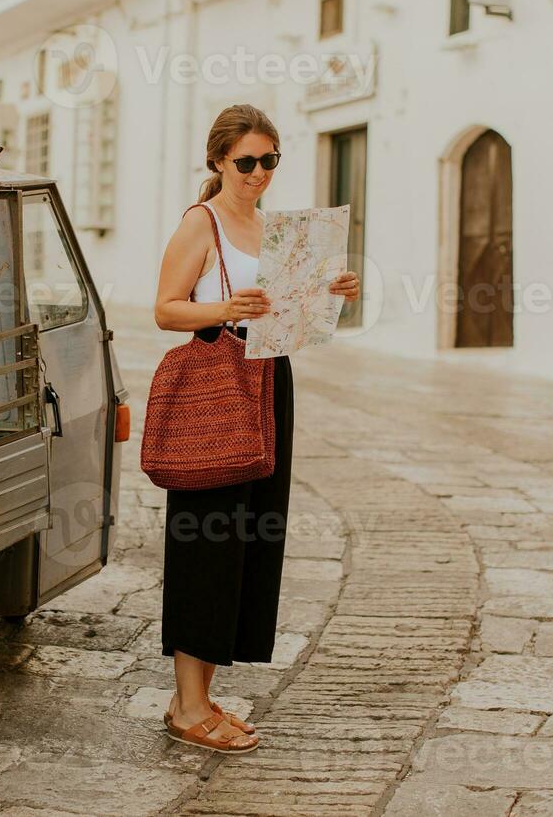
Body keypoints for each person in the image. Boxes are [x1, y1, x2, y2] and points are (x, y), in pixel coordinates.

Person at [151, 104, 361, 754]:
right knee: (207, 541)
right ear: (217, 161)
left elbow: (284, 306)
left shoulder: (273, 227)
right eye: (246, 161)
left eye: (270, 160)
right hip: (219, 382)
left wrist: (331, 289)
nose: (258, 173)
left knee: (245, 542)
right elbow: (164, 308)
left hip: (270, 379)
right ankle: (187, 708)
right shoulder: (201, 221)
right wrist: (226, 306)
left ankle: (200, 696)